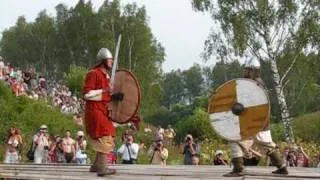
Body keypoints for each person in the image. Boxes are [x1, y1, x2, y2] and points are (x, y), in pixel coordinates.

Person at [224, 57, 288, 177]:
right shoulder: (257, 83)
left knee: (235, 139)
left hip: (255, 121)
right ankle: (282, 167)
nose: (245, 72)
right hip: (259, 122)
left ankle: (238, 169)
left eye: (247, 69)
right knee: (266, 144)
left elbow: (255, 106)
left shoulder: (254, 85)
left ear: (250, 70)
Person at [83, 48, 123, 176]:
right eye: (109, 60)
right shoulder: (93, 73)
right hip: (94, 111)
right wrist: (104, 91)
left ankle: (96, 166)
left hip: (103, 111)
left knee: (109, 134)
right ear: (102, 61)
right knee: (104, 135)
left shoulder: (106, 76)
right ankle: (102, 168)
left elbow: (106, 95)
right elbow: (86, 94)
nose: (111, 62)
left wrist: (113, 97)